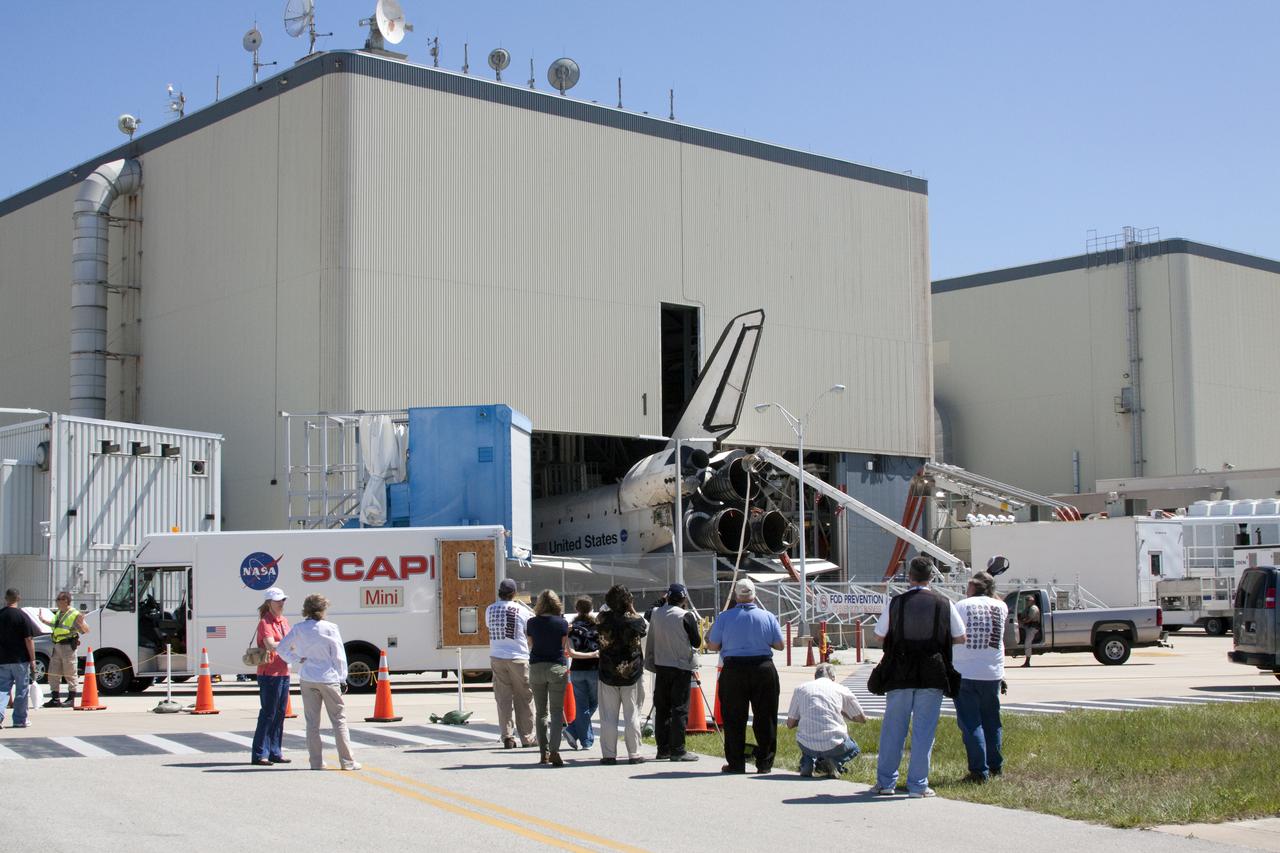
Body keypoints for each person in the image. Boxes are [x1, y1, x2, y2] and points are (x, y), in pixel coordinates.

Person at [873, 556, 966, 798]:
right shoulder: (944, 603)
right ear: (931, 578)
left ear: (910, 576)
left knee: (894, 728)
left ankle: (885, 782)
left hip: (900, 670)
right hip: (932, 670)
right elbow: (960, 636)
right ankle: (918, 784)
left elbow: (880, 634)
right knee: (924, 730)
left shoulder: (896, 603)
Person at [705, 578, 784, 774]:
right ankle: (764, 763)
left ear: (736, 596)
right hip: (763, 667)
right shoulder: (767, 616)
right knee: (765, 716)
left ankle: (736, 763)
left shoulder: (724, 617)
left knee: (733, 718)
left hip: (733, 670)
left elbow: (712, 646)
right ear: (754, 595)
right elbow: (780, 645)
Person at [276, 594, 359, 771]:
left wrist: (297, 659)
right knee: (338, 720)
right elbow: (338, 654)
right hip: (328, 678)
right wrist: (342, 677)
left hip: (307, 677)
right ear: (322, 610)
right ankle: (347, 762)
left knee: (312, 723)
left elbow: (281, 648)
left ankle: (316, 762)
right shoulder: (330, 628)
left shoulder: (299, 628)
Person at [953, 570, 1008, 782]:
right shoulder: (1001, 607)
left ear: (974, 588)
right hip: (992, 673)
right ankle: (996, 766)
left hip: (965, 672)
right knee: (992, 721)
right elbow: (997, 600)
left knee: (971, 723)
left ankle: (978, 770)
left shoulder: (961, 606)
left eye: (969, 586)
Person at [647, 583, 702, 762]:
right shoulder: (686, 616)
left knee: (662, 708)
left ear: (668, 597)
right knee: (679, 709)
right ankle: (678, 749)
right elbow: (696, 642)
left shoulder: (656, 613)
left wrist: (661, 600)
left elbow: (649, 611)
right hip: (680, 667)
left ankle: (663, 749)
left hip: (661, 666)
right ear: (684, 599)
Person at [595, 584, 648, 765]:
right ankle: (634, 753)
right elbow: (643, 628)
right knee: (632, 714)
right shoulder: (633, 620)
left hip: (608, 672)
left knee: (608, 716)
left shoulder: (602, 619)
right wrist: (631, 608)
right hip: (631, 674)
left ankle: (609, 754)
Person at [786, 662, 867, 777]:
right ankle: (834, 762)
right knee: (854, 747)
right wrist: (843, 713)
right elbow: (861, 719)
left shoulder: (800, 689)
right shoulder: (841, 689)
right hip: (835, 744)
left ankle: (807, 763)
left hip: (806, 744)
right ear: (833, 677)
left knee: (807, 738)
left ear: (815, 676)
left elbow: (790, 724)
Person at [486, 578, 537, 750]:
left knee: (503, 699)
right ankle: (527, 737)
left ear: (499, 592)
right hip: (518, 657)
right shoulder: (522, 611)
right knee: (524, 698)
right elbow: (528, 633)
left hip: (497, 656)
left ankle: (507, 736)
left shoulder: (490, 609)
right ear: (514, 593)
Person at [523, 589, 572, 766]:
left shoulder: (532, 623)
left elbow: (531, 644)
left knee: (541, 712)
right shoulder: (562, 623)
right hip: (556, 666)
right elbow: (563, 646)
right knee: (557, 711)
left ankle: (543, 752)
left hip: (536, 666)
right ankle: (555, 750)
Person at [250, 587, 292, 766]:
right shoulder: (265, 622)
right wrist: (287, 644)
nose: (282, 603)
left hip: (283, 671)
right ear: (269, 603)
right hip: (269, 673)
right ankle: (260, 753)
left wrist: (286, 644)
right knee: (268, 713)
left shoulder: (283, 621)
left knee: (280, 713)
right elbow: (269, 645)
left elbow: (287, 642)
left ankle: (275, 751)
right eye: (278, 600)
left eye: (283, 600)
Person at [38, 590, 89, 708]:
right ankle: (55, 699)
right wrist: (43, 621)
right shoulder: (59, 613)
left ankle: (71, 699)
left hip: (68, 647)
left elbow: (85, 630)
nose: (56, 602)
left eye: (58, 600)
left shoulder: (74, 614)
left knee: (70, 672)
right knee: (53, 673)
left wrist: (81, 623)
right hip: (57, 646)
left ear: (65, 601)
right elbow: (56, 625)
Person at [563, 596, 599, 751]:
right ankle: (585, 740)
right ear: (591, 608)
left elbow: (570, 652)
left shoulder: (571, 628)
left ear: (576, 609)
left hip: (577, 669)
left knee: (582, 705)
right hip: (594, 669)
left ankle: (573, 731)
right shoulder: (597, 626)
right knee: (594, 703)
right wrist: (592, 654)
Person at [0, 589, 37, 729]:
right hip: (20, 659)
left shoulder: (0, 615)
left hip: (2, 659)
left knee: (2, 689)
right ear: (18, 598)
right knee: (21, 690)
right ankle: (19, 720)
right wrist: (33, 660)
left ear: (5, 598)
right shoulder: (22, 616)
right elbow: (29, 639)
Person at [1018, 592, 1041, 667]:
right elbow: (1022, 615)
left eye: (1029, 600)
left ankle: (1027, 661)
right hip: (1028, 626)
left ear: (1032, 601)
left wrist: (1022, 621)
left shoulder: (1033, 608)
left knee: (1027, 643)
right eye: (1026, 600)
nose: (1027, 601)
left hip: (1033, 627)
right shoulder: (1028, 608)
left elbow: (1029, 619)